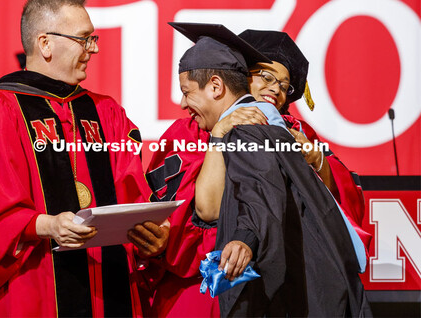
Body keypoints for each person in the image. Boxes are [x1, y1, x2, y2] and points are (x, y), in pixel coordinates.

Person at [0, 0, 160, 317]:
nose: (94, 49)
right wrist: (42, 225)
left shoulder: (107, 112)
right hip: (30, 286)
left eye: (94, 39)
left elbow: (132, 190)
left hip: (107, 289)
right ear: (45, 43)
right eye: (84, 39)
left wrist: (150, 232)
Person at [146, 23, 370, 317]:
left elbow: (339, 208)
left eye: (284, 84)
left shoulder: (297, 133)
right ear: (236, 75)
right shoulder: (189, 131)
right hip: (202, 283)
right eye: (265, 76)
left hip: (279, 284)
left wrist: (316, 162)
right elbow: (188, 214)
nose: (274, 88)